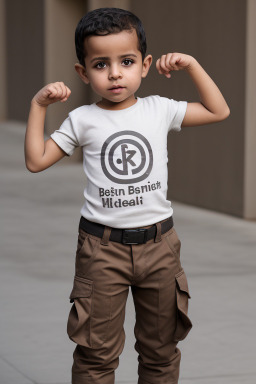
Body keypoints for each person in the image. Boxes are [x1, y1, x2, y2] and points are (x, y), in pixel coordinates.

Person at [24, 7, 230, 384]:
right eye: (101, 64)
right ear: (83, 73)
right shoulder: (82, 119)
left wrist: (192, 65)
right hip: (102, 250)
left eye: (127, 61)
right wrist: (39, 106)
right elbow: (36, 161)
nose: (115, 73)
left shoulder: (160, 110)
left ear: (145, 65)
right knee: (95, 354)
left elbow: (219, 110)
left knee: (161, 350)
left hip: (160, 246)